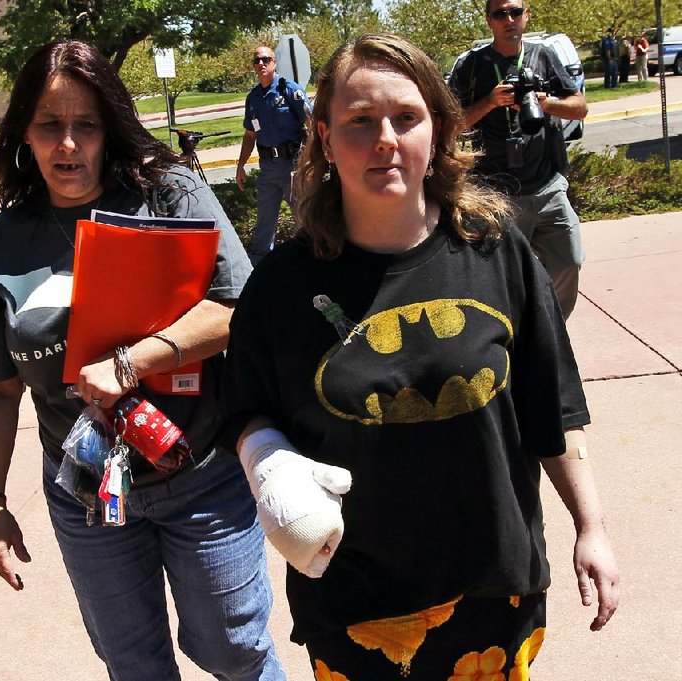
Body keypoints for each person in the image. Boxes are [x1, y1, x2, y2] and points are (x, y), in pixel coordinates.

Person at [218, 34, 620, 680]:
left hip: (492, 591)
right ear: (323, 135)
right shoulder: (281, 286)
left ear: (438, 127)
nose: (385, 138)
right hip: (356, 607)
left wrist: (590, 526)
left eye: (406, 117)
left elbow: (554, 406)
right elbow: (242, 408)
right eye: (359, 121)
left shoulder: (497, 251)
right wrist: (266, 465)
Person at [0, 40, 285, 681]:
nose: (69, 146)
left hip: (202, 479)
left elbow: (239, 307)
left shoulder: (168, 194)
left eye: (87, 125)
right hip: (90, 498)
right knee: (133, 666)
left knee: (235, 653)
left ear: (111, 126)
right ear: (23, 130)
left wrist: (133, 361)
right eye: (51, 126)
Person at [449, 0, 588, 319]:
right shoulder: (473, 65)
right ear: (489, 20)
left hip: (548, 186)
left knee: (570, 261)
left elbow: (579, 106)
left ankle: (553, 329)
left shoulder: (544, 56)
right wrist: (489, 102)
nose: (508, 19)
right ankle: (513, 336)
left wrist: (546, 102)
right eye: (500, 14)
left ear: (526, 16)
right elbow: (451, 124)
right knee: (501, 277)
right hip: (497, 194)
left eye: (515, 12)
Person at [235, 45, 311, 265]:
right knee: (264, 222)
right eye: (257, 61)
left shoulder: (289, 90)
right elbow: (250, 135)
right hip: (267, 167)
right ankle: (259, 270)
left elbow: (312, 125)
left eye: (266, 59)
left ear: (274, 62)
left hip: (292, 165)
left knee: (303, 218)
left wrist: (313, 162)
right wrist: (240, 166)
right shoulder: (254, 98)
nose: (261, 64)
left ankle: (309, 263)